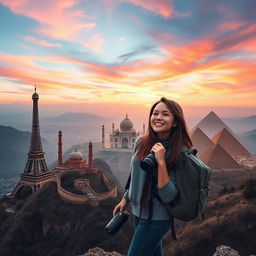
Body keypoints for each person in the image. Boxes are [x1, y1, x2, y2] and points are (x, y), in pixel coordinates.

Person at [113, 97, 193, 256]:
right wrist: (126, 198)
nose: (158, 117)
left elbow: (169, 195)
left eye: (165, 114)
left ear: (175, 121)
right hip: (138, 212)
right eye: (155, 113)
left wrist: (161, 162)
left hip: (158, 218)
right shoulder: (141, 142)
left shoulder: (180, 151)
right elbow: (135, 174)